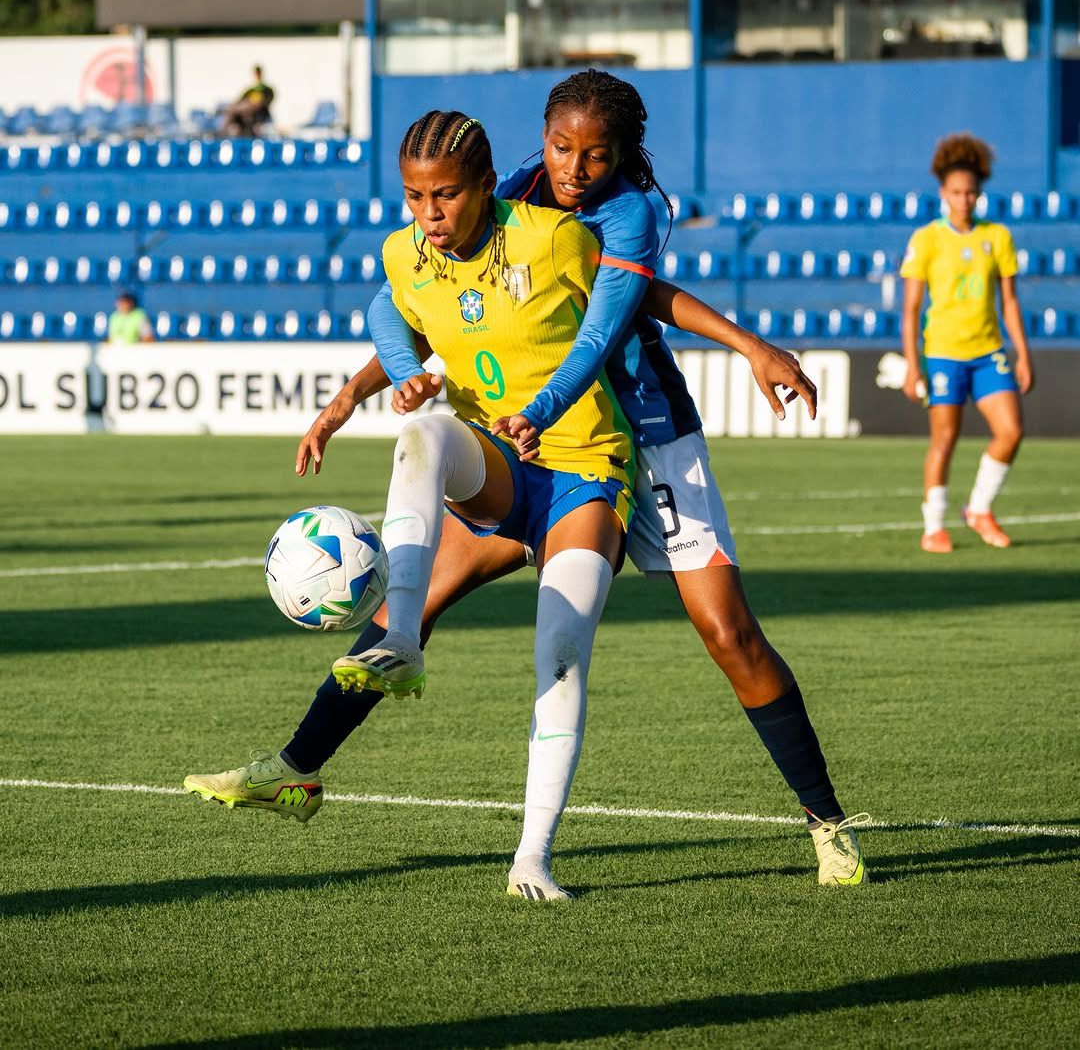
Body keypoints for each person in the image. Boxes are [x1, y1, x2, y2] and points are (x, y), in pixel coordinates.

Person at [186, 71, 868, 892]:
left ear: (623, 154)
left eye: (595, 154)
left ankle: (828, 822)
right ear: (540, 139)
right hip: (530, 442)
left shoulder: (628, 214)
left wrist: (749, 344)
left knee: (729, 634)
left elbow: (624, 314)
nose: (574, 168)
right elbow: (426, 307)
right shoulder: (508, 191)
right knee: (411, 602)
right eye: (559, 146)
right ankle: (296, 767)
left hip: (642, 434)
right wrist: (351, 394)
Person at [188, 109, 635, 902]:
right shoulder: (408, 251)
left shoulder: (553, 238)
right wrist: (388, 380)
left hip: (582, 469)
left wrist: (741, 346)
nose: (430, 213)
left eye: (446, 195)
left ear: (485, 185)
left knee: (561, 651)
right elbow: (385, 310)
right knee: (425, 434)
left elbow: (621, 316)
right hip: (497, 468)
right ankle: (311, 751)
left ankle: (532, 857)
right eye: (414, 196)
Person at [901, 133, 1034, 553]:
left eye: (971, 192)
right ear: (943, 193)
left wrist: (1022, 354)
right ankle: (934, 526)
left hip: (988, 352)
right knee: (945, 440)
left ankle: (978, 509)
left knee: (1011, 432)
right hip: (943, 353)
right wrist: (912, 364)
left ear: (979, 194)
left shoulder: (998, 237)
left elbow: (1009, 301)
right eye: (957, 192)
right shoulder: (927, 239)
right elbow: (911, 308)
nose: (964, 200)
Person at [220, 64, 274, 137]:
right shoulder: (250, 90)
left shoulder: (268, 90)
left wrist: (255, 105)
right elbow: (239, 101)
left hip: (259, 116)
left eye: (258, 74)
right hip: (245, 116)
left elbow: (266, 102)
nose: (257, 76)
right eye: (256, 74)